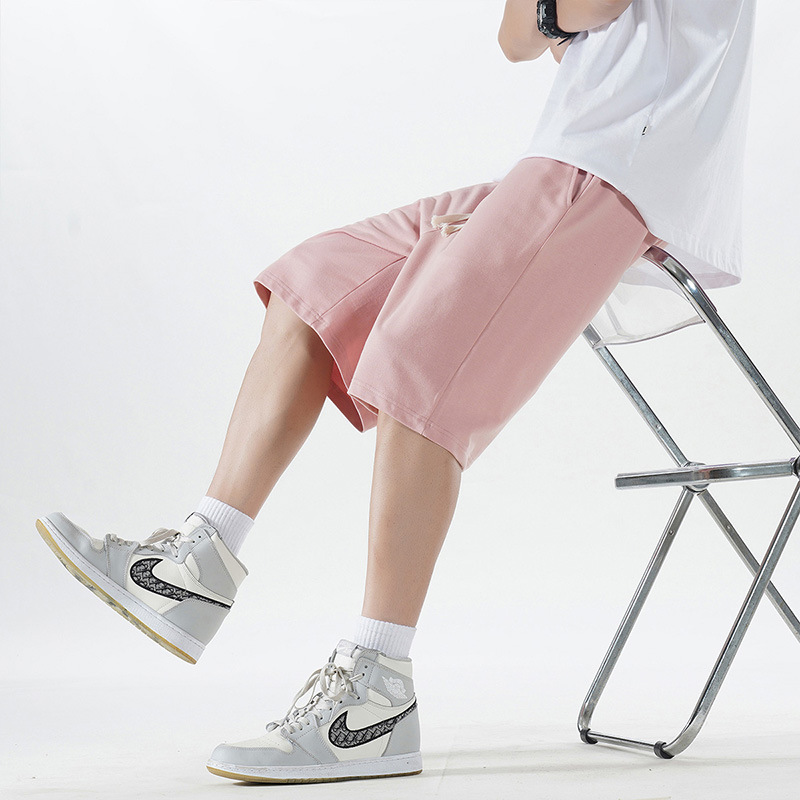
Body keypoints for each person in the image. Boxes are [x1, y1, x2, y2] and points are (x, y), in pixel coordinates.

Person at [35, 0, 756, 786]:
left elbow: (579, 10)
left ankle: (374, 695)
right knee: (316, 282)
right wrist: (556, 19)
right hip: (558, 161)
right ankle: (198, 559)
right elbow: (518, 38)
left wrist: (556, 19)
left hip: (615, 172)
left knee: (421, 351)